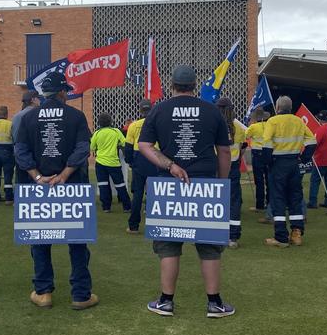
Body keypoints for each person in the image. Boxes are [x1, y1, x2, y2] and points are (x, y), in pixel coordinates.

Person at [138, 65, 235, 318]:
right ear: (195, 85)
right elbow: (224, 151)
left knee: (169, 246)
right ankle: (214, 303)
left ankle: (166, 301)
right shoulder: (212, 111)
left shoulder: (159, 109)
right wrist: (221, 182)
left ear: (172, 84)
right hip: (205, 184)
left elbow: (144, 145)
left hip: (169, 185)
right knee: (210, 248)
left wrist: (169, 165)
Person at [15, 71, 98, 310]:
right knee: (78, 240)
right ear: (63, 92)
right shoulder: (75, 116)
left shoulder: (29, 118)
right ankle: (81, 294)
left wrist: (37, 176)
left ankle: (43, 292)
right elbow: (83, 148)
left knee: (40, 239)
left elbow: (20, 151)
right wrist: (64, 175)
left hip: (39, 186)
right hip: (72, 185)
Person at [262, 96, 316, 247]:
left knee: (278, 199)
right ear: (291, 107)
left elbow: (266, 144)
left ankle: (281, 237)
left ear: (277, 107)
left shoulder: (272, 121)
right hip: (294, 164)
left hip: (278, 164)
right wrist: (304, 158)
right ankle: (297, 233)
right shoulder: (298, 121)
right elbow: (312, 141)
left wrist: (268, 163)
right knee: (295, 198)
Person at [216, 98, 246, 248]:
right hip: (233, 166)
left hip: (215, 165)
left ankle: (212, 233)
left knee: (214, 199)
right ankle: (232, 237)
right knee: (234, 201)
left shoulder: (214, 123)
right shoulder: (237, 126)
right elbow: (244, 143)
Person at [124, 99, 158, 234]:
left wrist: (130, 161)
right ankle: (155, 224)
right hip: (155, 157)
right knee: (155, 193)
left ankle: (133, 226)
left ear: (140, 110)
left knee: (137, 194)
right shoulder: (157, 123)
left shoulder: (134, 125)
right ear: (152, 109)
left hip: (139, 158)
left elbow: (128, 147)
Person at [91, 112, 131, 213]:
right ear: (111, 121)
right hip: (114, 163)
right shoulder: (116, 131)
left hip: (100, 163)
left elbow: (92, 147)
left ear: (99, 123)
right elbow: (124, 143)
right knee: (120, 185)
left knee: (103, 184)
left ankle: (106, 207)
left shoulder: (97, 133)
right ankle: (127, 206)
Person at [308, 110, 327, 209]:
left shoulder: (321, 129)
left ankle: (312, 202)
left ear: (321, 119)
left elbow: (314, 143)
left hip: (321, 160)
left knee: (315, 181)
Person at [11, 91, 39, 183]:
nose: (40, 101)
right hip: (34, 153)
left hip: (19, 153)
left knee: (21, 183)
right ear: (33, 100)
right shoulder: (37, 114)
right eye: (38, 98)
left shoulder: (16, 116)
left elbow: (13, 135)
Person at [245, 108, 270, 211]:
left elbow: (245, 136)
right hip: (268, 153)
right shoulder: (269, 125)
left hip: (257, 155)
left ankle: (259, 205)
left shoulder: (253, 127)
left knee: (259, 180)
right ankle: (269, 202)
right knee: (269, 179)